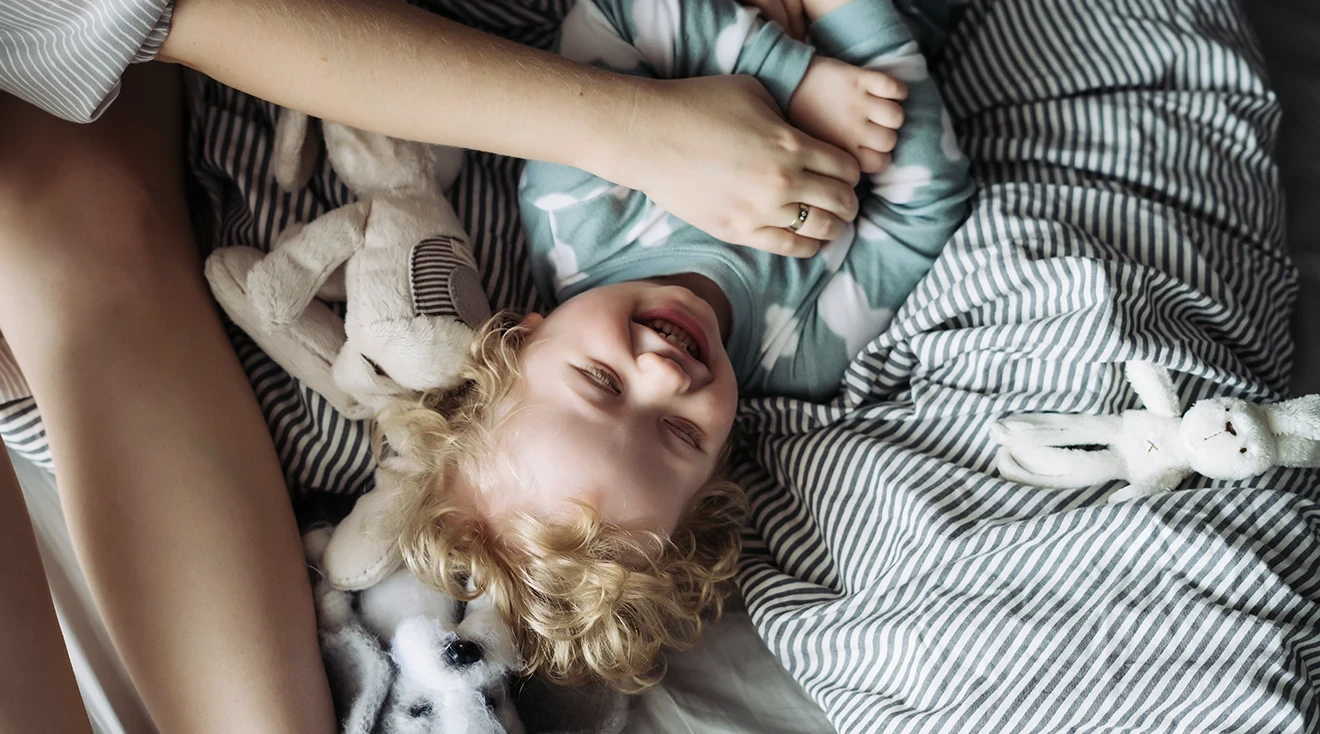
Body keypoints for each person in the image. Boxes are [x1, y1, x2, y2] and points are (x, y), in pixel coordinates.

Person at [0, 0, 872, 731]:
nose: (665, 372)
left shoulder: (373, 417)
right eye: (666, 423)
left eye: (608, 386)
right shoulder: (572, 243)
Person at [380, 0, 974, 692]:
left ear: (520, 338)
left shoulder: (574, 205)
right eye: (681, 434)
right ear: (715, 472)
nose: (664, 375)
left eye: (601, 381)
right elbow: (926, 214)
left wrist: (795, 77)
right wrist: (846, 21)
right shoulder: (803, 350)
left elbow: (613, 15)